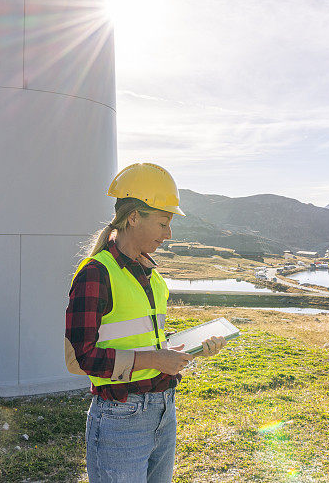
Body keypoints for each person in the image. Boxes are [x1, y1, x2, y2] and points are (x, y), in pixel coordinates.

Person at [65, 162, 226, 483]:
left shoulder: (152, 276)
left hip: (163, 408)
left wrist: (191, 351)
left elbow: (149, 343)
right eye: (164, 223)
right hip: (120, 417)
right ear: (134, 217)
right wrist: (156, 359)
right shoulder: (96, 273)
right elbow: (80, 359)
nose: (169, 234)